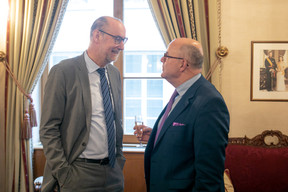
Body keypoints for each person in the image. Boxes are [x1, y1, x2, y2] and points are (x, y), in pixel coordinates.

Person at [40, 16, 127, 192]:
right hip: (78, 173)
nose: (122, 46)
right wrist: (64, 173)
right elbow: (48, 128)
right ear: (97, 36)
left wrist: (118, 160)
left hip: (113, 174)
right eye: (117, 39)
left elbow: (114, 121)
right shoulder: (63, 71)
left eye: (123, 40)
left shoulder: (114, 74)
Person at [134, 38, 230, 192]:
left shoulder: (209, 102)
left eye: (167, 55)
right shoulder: (181, 93)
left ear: (183, 64)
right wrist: (158, 136)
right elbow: (187, 140)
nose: (161, 59)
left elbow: (209, 174)